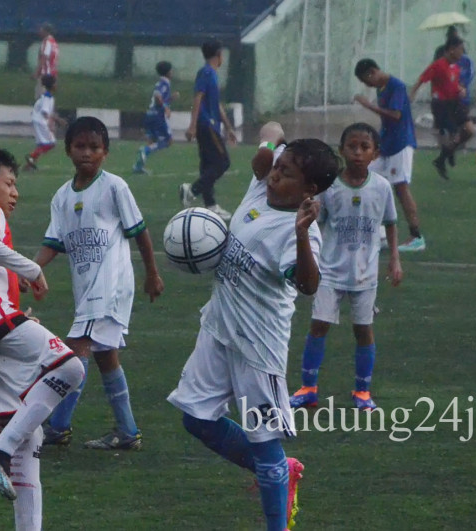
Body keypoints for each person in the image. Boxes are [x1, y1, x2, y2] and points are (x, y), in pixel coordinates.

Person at [169, 137, 339, 531]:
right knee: (196, 420)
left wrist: (300, 233)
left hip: (257, 348)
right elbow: (270, 138)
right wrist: (269, 148)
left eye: (287, 173)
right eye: (278, 166)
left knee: (263, 442)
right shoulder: (261, 186)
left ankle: (276, 505)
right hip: (218, 329)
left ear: (309, 190)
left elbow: (309, 285)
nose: (275, 175)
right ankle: (279, 469)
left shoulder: (301, 231)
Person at [0, 143, 85, 529]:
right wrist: (32, 270)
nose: (15, 192)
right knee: (71, 369)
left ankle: (12, 467)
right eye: (9, 182)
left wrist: (18, 314)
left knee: (31, 436)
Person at [36, 117, 164, 450]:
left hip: (111, 285)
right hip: (87, 289)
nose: (87, 153)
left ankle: (58, 426)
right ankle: (127, 430)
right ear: (68, 150)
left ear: (105, 152)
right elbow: (54, 242)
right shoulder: (62, 197)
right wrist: (33, 269)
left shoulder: (114, 187)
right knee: (106, 356)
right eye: (80, 146)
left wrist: (152, 273)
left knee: (74, 352)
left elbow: (140, 232)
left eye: (95, 147)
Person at [290, 123, 403, 413]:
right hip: (328, 271)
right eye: (352, 146)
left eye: (365, 147)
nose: (357, 152)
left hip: (365, 275)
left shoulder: (381, 188)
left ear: (375, 154)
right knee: (318, 326)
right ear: (341, 150)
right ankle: (308, 389)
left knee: (363, 330)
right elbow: (315, 223)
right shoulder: (331, 188)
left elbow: (390, 224)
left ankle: (362, 391)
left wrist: (394, 259)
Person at [353, 58, 425, 252]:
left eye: (366, 80)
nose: (367, 85)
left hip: (401, 144)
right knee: (364, 176)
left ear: (372, 72)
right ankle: (376, 231)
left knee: (401, 189)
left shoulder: (396, 86)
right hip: (387, 145)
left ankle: (416, 236)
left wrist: (368, 106)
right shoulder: (382, 88)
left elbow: (395, 115)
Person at [179, 39, 238, 221]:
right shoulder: (205, 73)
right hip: (207, 125)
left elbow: (216, 105)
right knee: (222, 162)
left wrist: (228, 127)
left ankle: (211, 205)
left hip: (211, 124)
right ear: (219, 54)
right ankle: (192, 190)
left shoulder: (212, 74)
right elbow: (198, 98)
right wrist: (193, 125)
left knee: (207, 165)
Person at [410, 36, 472, 180]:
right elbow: (422, 79)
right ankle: (445, 155)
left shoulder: (455, 67)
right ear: (451, 50)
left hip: (455, 102)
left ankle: (444, 156)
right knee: (453, 134)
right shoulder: (438, 65)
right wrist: (412, 94)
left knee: (469, 130)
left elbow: (452, 84)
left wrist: (460, 89)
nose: (462, 53)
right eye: (460, 50)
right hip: (441, 105)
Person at [133, 60, 178, 174]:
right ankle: (145, 150)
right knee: (168, 141)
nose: (172, 72)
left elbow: (159, 98)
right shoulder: (165, 83)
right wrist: (166, 108)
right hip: (158, 116)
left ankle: (138, 166)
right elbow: (158, 97)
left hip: (150, 115)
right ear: (168, 72)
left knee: (152, 141)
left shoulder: (159, 83)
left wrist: (171, 99)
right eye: (171, 70)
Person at [25, 74, 66, 170]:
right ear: (52, 85)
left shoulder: (47, 96)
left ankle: (29, 165)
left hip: (38, 120)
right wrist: (58, 120)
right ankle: (31, 156)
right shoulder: (47, 98)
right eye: (55, 83)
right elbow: (45, 113)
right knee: (50, 143)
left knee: (41, 144)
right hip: (40, 121)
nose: (57, 85)